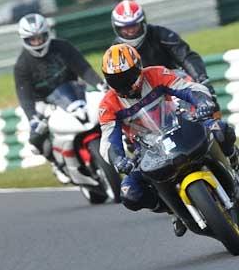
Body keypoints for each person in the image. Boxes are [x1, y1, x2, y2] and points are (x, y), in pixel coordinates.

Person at [99, 43, 239, 237]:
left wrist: (203, 102)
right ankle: (171, 209)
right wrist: (118, 159)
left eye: (127, 76)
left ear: (139, 68)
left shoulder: (156, 74)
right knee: (130, 194)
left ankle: (234, 162)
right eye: (116, 79)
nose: (123, 83)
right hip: (147, 150)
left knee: (221, 129)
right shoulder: (108, 104)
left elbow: (188, 88)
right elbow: (108, 140)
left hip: (182, 126)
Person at [13, 13, 104, 182]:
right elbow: (24, 95)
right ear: (25, 40)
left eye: (40, 37)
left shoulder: (62, 47)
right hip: (44, 100)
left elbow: (83, 68)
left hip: (73, 91)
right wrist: (32, 117)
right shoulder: (22, 65)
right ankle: (55, 162)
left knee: (102, 108)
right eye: (32, 39)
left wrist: (100, 84)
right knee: (36, 137)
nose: (37, 42)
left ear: (47, 34)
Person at [111, 0, 217, 107]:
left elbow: (185, 56)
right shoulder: (115, 50)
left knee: (206, 98)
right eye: (125, 27)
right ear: (117, 28)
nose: (130, 31)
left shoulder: (160, 33)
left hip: (173, 82)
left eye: (134, 25)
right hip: (143, 94)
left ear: (142, 22)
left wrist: (201, 79)